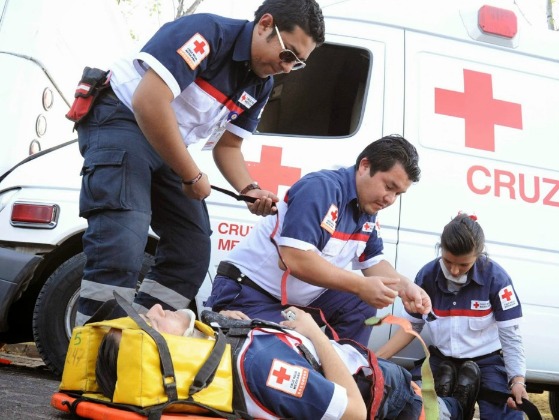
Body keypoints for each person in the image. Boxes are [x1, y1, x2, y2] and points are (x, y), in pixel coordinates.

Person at [74, 0, 326, 326]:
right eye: (288, 54)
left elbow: (229, 146)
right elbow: (148, 101)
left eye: (297, 63)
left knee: (191, 250)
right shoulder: (207, 35)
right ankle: (92, 350)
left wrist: (249, 188)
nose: (288, 68)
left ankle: (143, 333)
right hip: (124, 119)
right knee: (122, 241)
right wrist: (192, 176)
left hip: (167, 142)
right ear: (265, 24)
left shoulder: (260, 85)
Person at [205, 134, 432, 346]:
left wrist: (406, 288)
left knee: (361, 303)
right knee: (286, 356)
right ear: (365, 166)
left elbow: (374, 263)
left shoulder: (367, 208)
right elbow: (294, 259)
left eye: (398, 194)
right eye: (389, 187)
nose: (390, 199)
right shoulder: (321, 188)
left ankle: (346, 369)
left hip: (295, 302)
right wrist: (361, 285)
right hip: (249, 291)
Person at [95, 304, 481, 420]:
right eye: (151, 321)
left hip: (363, 370)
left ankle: (448, 394)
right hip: (383, 392)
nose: (156, 308)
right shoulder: (264, 368)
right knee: (440, 409)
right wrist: (314, 331)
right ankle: (458, 406)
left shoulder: (211, 360)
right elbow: (354, 411)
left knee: (435, 389)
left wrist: (236, 327)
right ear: (166, 353)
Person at [376, 213, 529, 419]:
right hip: (441, 360)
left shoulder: (497, 279)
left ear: (478, 255)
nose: (455, 271)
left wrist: (517, 381)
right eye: (448, 262)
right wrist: (375, 360)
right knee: (411, 402)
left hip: (487, 362)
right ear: (441, 249)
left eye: (464, 265)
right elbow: (411, 327)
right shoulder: (427, 276)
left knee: (505, 413)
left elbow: (511, 337)